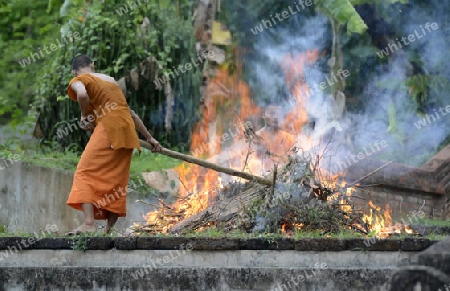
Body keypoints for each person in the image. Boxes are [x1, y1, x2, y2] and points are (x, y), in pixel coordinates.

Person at [65, 54, 162, 235]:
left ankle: (88, 224)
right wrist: (150, 138)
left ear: (74, 71)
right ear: (93, 65)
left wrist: (84, 115)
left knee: (84, 172)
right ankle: (108, 230)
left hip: (108, 131)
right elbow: (130, 113)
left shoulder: (78, 80)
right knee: (115, 180)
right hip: (128, 135)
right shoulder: (110, 80)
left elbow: (82, 94)